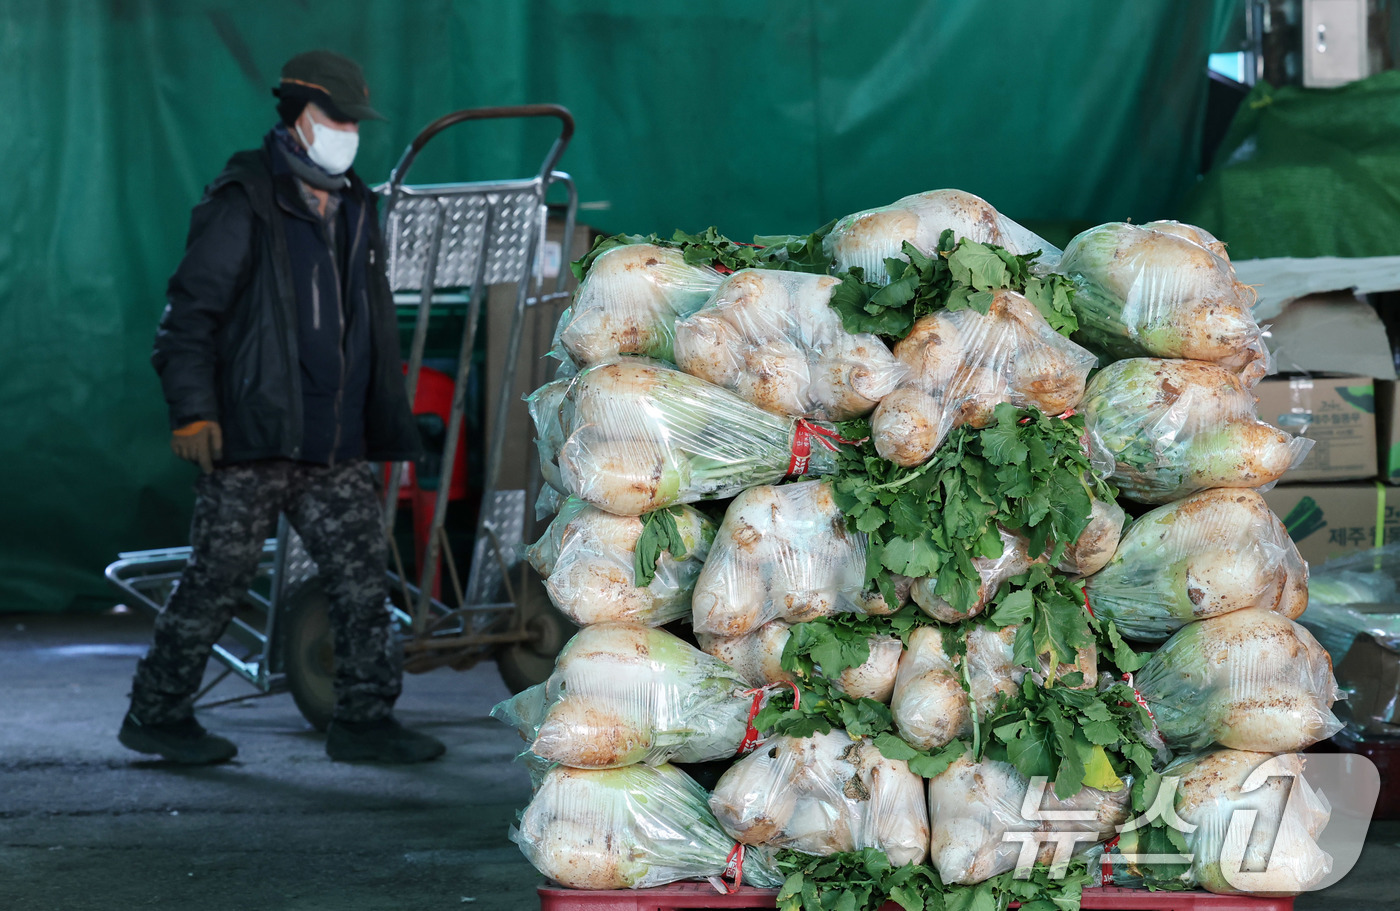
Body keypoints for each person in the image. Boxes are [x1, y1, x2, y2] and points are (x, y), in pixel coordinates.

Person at [119, 50, 445, 765]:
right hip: (252, 435)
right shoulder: (245, 198)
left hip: (331, 440)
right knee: (217, 577)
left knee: (363, 578)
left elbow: (365, 318)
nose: (348, 131)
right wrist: (191, 412)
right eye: (336, 117)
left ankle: (363, 719)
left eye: (355, 120)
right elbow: (188, 315)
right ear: (298, 117)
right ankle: (157, 712)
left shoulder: (358, 203)